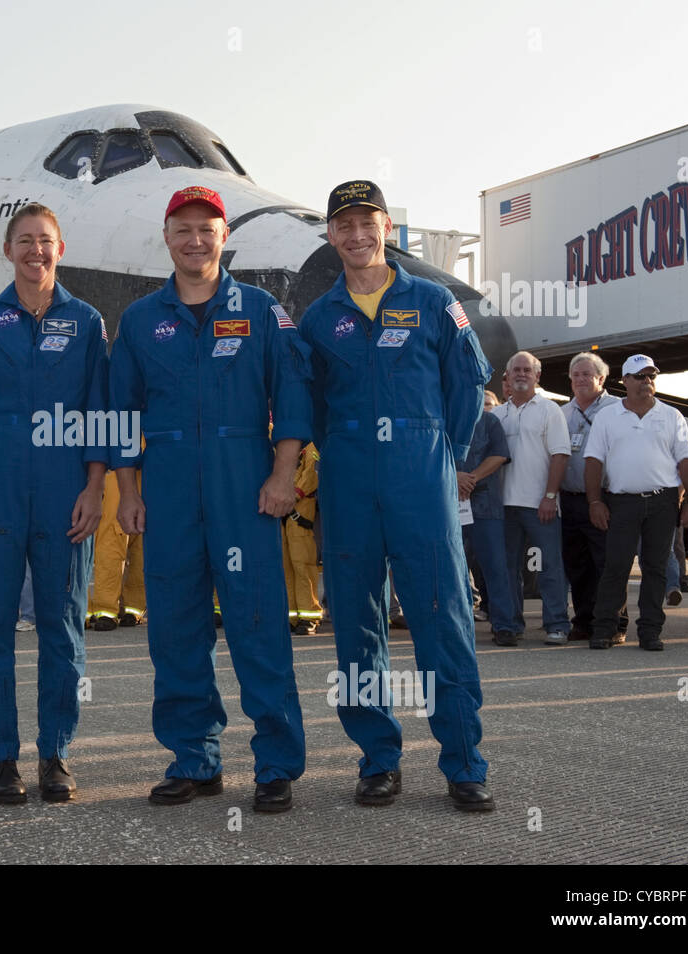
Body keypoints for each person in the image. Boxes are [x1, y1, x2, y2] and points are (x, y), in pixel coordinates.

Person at [111, 185, 310, 814]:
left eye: (207, 229)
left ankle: (276, 763)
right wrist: (128, 493)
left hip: (242, 482)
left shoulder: (261, 310)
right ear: (167, 238)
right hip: (167, 486)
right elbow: (120, 416)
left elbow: (295, 400)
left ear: (224, 238)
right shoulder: (141, 319)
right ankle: (193, 759)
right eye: (183, 229)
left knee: (256, 623)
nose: (195, 240)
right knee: (174, 628)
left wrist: (282, 476)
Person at [300, 179, 494, 812]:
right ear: (331, 236)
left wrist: (444, 453)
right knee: (356, 626)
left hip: (421, 476)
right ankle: (378, 760)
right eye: (343, 225)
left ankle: (464, 763)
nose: (356, 235)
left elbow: (468, 382)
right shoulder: (319, 317)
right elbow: (311, 400)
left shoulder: (434, 302)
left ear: (387, 228)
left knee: (443, 617)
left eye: (367, 222)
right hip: (350, 478)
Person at [0, 203, 107, 804]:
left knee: (62, 629)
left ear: (60, 249)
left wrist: (94, 489)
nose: (35, 250)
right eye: (24, 241)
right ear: (7, 250)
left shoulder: (87, 321)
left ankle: (56, 755)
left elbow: (100, 413)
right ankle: (1, 760)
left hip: (66, 493)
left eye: (45, 241)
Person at [584, 355, 688, 650]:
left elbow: (687, 461)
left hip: (662, 502)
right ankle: (605, 628)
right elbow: (593, 462)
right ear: (625, 381)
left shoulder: (671, 416)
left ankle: (650, 631)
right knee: (616, 566)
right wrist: (595, 502)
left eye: (651, 376)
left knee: (656, 567)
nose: (646, 381)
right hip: (621, 502)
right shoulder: (607, 417)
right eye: (639, 376)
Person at [491, 351, 572, 645]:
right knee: (507, 568)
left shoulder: (550, 410)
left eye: (527, 370)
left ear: (537, 376)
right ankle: (510, 625)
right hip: (502, 507)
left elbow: (560, 455)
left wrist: (550, 496)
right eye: (516, 370)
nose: (521, 374)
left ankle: (557, 624)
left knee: (550, 566)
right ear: (508, 377)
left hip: (541, 504)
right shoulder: (497, 414)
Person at [559, 353, 622, 642]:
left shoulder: (617, 409)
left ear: (601, 378)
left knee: (607, 564)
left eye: (587, 374)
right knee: (577, 565)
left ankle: (614, 623)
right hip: (570, 500)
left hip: (604, 499)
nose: (581, 379)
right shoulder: (562, 412)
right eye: (576, 375)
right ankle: (584, 621)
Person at [459, 388, 511, 640]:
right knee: (450, 567)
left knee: (495, 566)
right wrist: (454, 478)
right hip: (449, 504)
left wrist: (470, 479)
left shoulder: (490, 421)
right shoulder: (444, 419)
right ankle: (454, 624)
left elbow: (500, 455)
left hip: (485, 504)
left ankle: (504, 625)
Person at [89, 470, 146, 631]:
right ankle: (106, 609)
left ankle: (134, 608)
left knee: (141, 546)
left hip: (147, 467)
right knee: (111, 543)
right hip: (116, 467)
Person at [283, 443, 322, 635]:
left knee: (303, 565)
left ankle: (310, 615)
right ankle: (291, 615)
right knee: (285, 567)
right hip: (280, 514)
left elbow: (311, 476)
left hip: (299, 515)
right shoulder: (275, 442)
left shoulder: (310, 448)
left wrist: (293, 494)